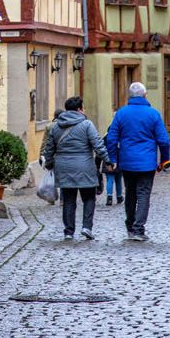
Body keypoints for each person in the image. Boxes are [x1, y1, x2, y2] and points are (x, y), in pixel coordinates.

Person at [103, 82, 170, 241]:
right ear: (145, 95)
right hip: (147, 162)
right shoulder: (153, 114)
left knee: (130, 193)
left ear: (130, 96)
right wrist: (164, 160)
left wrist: (112, 159)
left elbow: (111, 138)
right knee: (144, 194)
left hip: (127, 161)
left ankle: (130, 225)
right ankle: (139, 229)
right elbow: (164, 140)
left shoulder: (121, 113)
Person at [40, 96, 108, 240]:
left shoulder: (56, 126)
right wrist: (108, 160)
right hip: (85, 166)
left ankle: (69, 231)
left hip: (63, 167)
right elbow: (98, 144)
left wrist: (49, 163)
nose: (85, 110)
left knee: (69, 200)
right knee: (89, 197)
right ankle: (86, 227)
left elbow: (49, 149)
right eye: (83, 108)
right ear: (79, 109)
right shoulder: (87, 124)